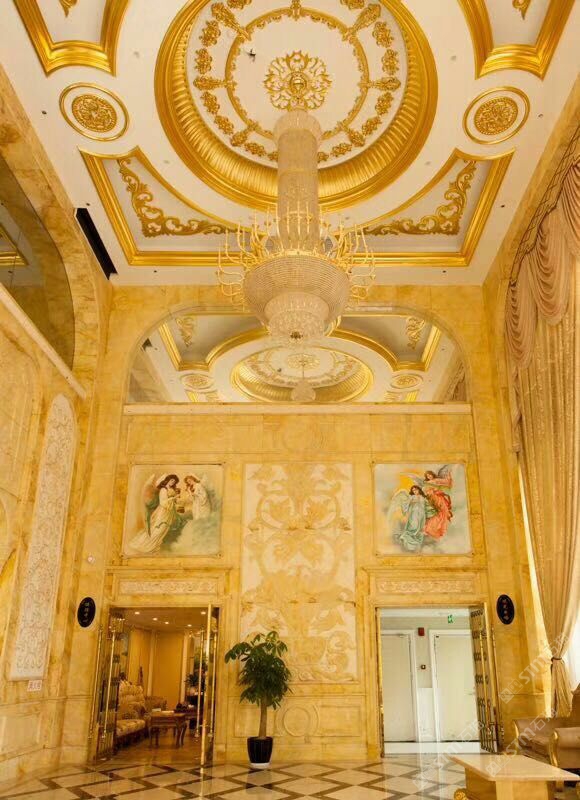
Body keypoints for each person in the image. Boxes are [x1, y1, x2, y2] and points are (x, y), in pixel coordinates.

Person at [126, 474, 181, 555]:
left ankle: (154, 547)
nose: (173, 482)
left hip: (169, 512)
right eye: (172, 480)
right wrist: (174, 498)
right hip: (163, 512)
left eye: (174, 481)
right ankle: (145, 546)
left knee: (163, 530)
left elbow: (173, 501)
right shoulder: (163, 489)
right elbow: (163, 503)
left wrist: (176, 500)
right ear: (168, 480)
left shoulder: (171, 489)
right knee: (158, 529)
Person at [397, 485, 427, 552]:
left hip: (421, 514)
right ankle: (410, 537)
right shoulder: (412, 497)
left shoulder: (423, 497)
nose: (415, 491)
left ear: (419, 490)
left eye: (416, 490)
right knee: (414, 525)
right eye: (413, 490)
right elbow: (406, 503)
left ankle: (417, 538)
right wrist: (411, 502)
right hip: (414, 514)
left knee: (420, 526)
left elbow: (425, 505)